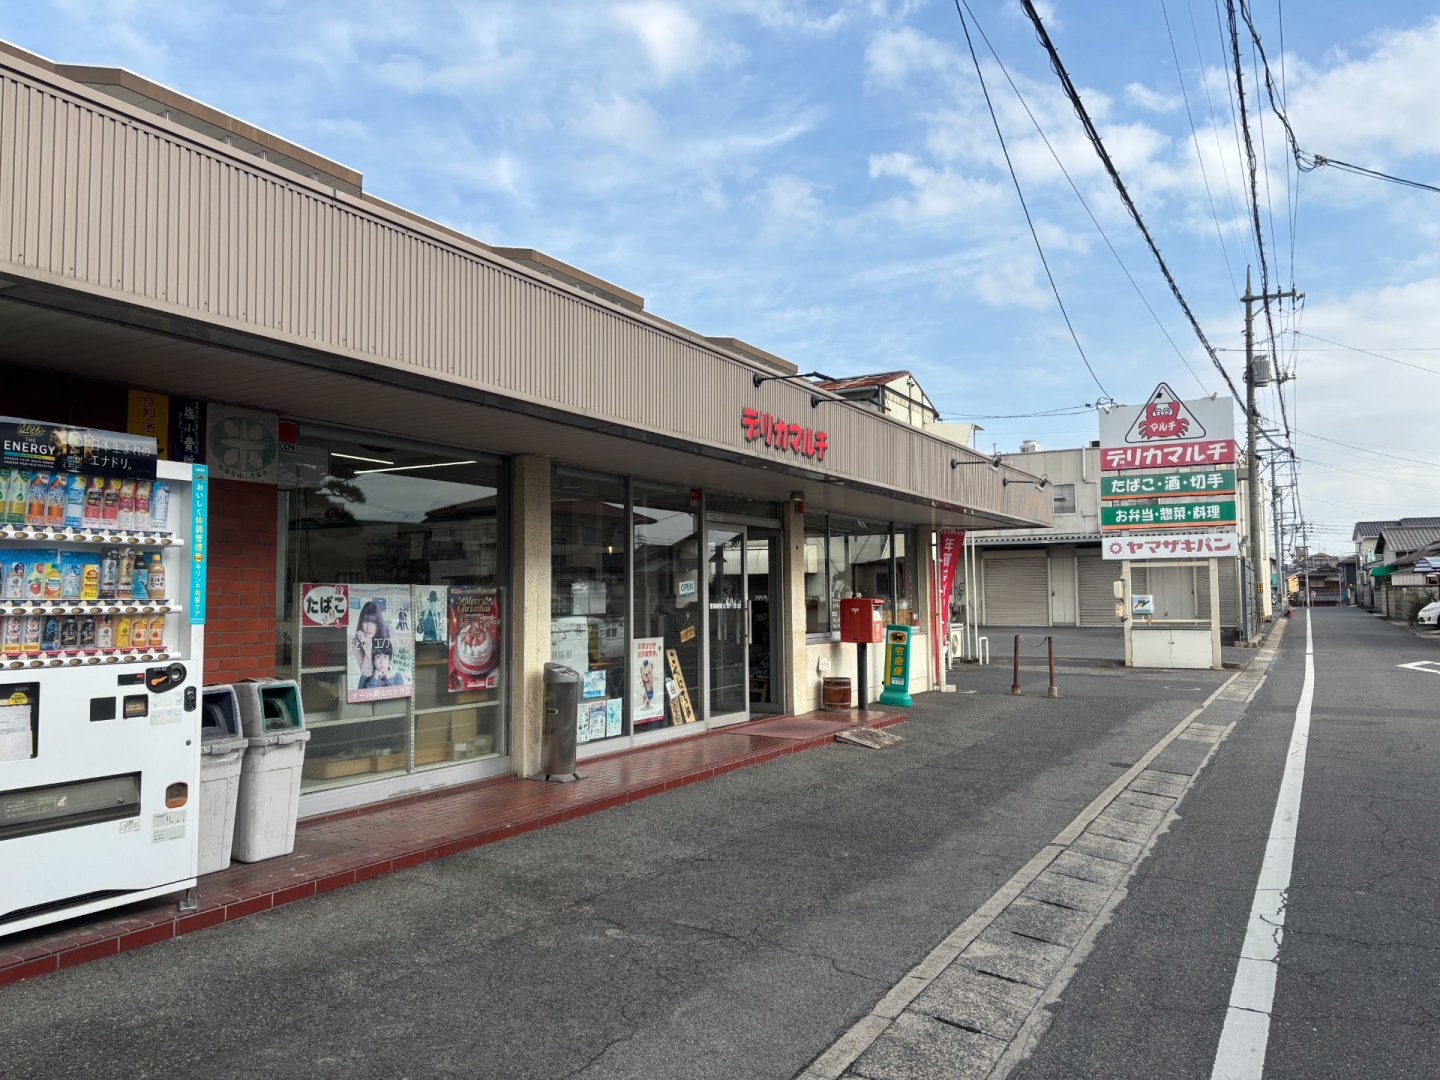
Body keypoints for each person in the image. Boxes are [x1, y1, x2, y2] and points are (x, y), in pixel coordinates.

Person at [352, 600, 387, 682]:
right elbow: (367, 673)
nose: (369, 627)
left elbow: (387, 668)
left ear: (378, 624)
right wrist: (367, 651)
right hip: (368, 682)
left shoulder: (386, 636)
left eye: (373, 622)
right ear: (361, 622)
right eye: (366, 621)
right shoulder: (356, 642)